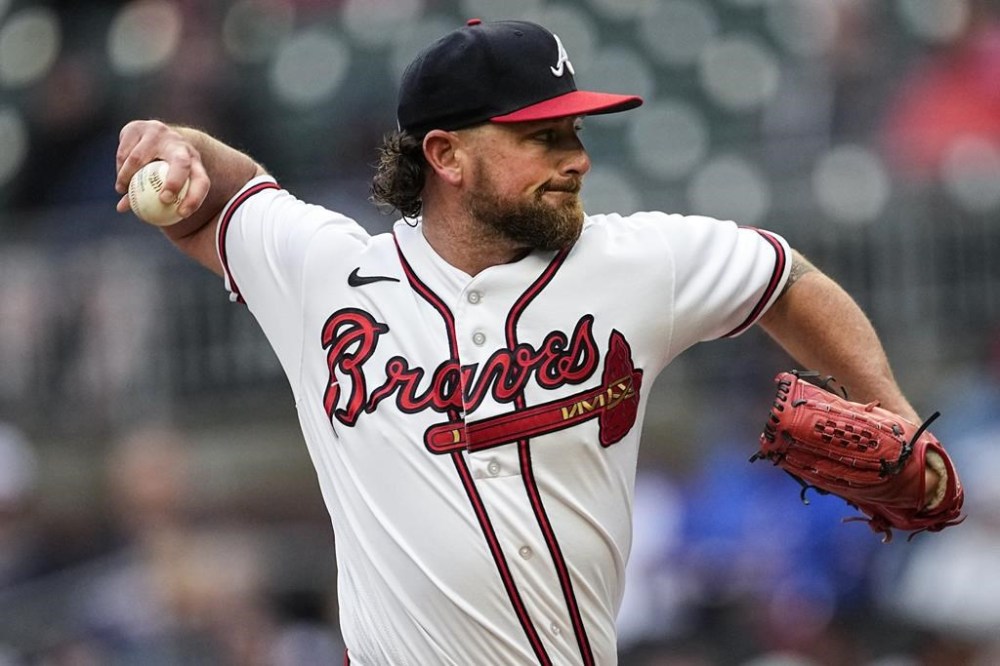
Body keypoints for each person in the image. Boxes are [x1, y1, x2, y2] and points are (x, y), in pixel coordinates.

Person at [112, 19, 943, 666]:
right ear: (447, 155)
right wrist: (177, 145)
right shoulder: (329, 280)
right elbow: (224, 198)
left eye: (575, 134)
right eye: (542, 137)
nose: (575, 158)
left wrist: (893, 408)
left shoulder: (636, 261)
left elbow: (785, 277)